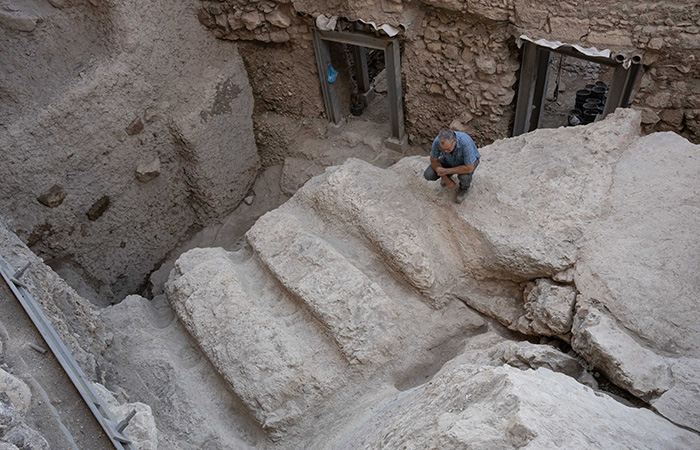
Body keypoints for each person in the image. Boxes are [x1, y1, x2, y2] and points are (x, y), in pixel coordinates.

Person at [423, 129, 481, 203]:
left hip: (467, 162)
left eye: (448, 149)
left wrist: (446, 171)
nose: (445, 151)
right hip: (449, 159)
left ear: (454, 141)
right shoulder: (438, 141)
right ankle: (449, 174)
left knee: (464, 177)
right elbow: (434, 160)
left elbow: (469, 168)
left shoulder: (465, 142)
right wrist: (445, 178)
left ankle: (464, 188)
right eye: (443, 149)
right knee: (429, 174)